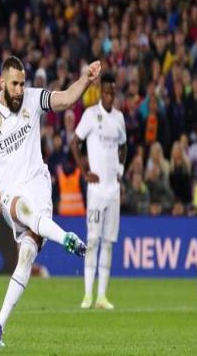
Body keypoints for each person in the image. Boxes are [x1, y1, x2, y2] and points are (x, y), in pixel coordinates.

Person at [0, 56, 101, 347]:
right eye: (14, 84)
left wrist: (85, 79)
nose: (20, 90)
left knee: (25, 257)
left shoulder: (33, 99)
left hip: (39, 189)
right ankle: (66, 238)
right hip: (12, 196)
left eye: (22, 83)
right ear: (2, 82)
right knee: (20, 208)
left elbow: (65, 99)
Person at [70, 71, 126, 310]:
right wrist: (85, 172)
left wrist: (120, 169)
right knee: (92, 241)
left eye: (113, 92)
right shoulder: (91, 115)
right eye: (106, 92)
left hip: (113, 191)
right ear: (100, 92)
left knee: (109, 243)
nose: (110, 96)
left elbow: (123, 146)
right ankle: (87, 295)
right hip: (95, 191)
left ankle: (102, 296)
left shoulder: (119, 118)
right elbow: (75, 143)